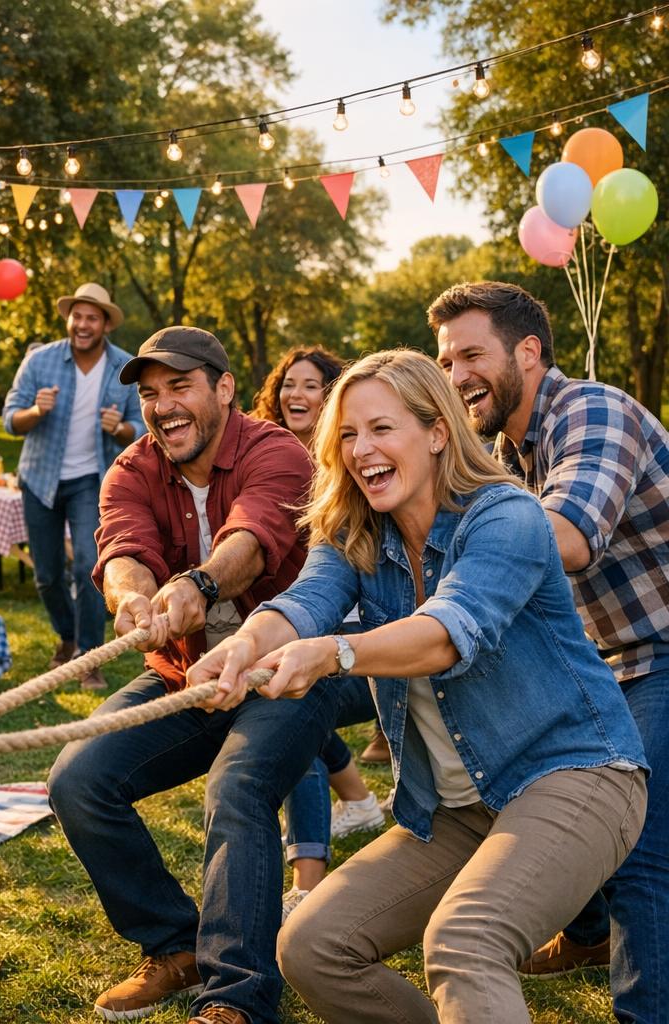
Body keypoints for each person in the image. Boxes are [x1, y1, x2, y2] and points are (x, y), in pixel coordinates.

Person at [190, 348, 647, 1024]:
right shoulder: (354, 531)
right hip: (461, 810)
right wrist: (240, 647)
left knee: (465, 941)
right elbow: (305, 601)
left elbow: (445, 633)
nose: (359, 449)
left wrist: (335, 654)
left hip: (575, 775)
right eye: (346, 434)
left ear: (437, 432)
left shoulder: (506, 517)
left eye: (381, 428)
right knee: (314, 945)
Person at [48, 327, 373, 1024]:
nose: (163, 406)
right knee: (77, 780)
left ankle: (237, 998)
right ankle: (174, 946)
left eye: (180, 386)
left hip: (290, 667)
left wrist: (196, 585)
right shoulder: (132, 469)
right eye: (150, 393)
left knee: (240, 786)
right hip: (185, 675)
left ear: (224, 389)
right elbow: (123, 548)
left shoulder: (278, 451)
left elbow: (254, 542)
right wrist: (132, 597)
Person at [432, 280, 669, 1022]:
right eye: (444, 360)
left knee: (642, 852)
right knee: (544, 783)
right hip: (611, 657)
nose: (454, 374)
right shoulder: (505, 449)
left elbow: (564, 538)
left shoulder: (590, 411)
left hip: (663, 650)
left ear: (527, 353)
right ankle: (589, 934)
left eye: (471, 353)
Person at [252, 347, 383, 914]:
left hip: (359, 642)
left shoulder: (355, 470)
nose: (296, 395)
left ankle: (306, 885)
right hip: (290, 623)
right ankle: (356, 799)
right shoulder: (261, 459)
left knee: (290, 716)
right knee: (287, 693)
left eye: (312, 385)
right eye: (289, 384)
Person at [2, 282, 143, 690]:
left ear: (104, 324)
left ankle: (88, 656)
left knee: (87, 566)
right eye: (77, 316)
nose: (83, 324)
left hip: (91, 481)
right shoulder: (40, 361)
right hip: (40, 479)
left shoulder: (124, 367)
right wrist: (34, 411)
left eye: (91, 318)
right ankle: (66, 638)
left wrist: (119, 429)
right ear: (69, 319)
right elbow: (10, 418)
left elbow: (139, 428)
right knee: (46, 574)